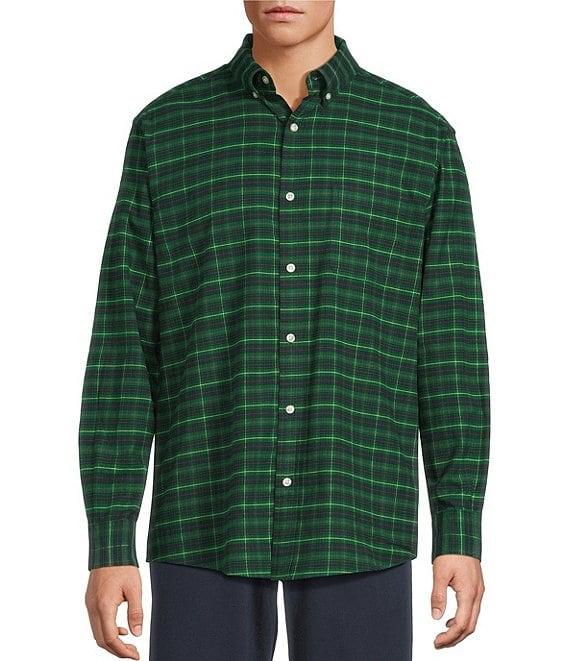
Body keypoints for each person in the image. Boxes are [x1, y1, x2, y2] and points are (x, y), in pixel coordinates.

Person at [79, 2, 490, 659]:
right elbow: (125, 344)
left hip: (357, 512)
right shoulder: (168, 130)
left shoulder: (416, 137)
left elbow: (449, 346)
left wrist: (459, 528)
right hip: (205, 510)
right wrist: (109, 539)